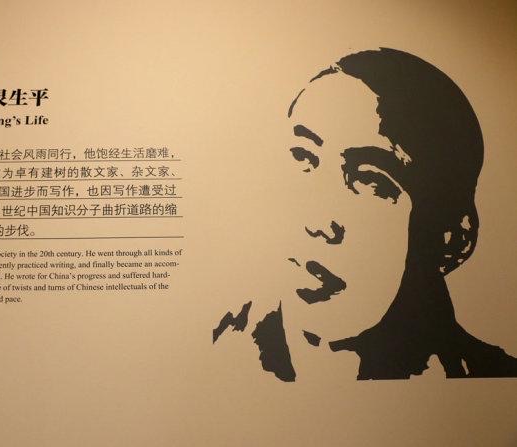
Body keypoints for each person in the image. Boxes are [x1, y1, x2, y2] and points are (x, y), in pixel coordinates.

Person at [213, 48, 517, 381]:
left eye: (371, 180)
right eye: (303, 157)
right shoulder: (223, 351)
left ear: (452, 238)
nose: (317, 224)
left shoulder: (488, 378)